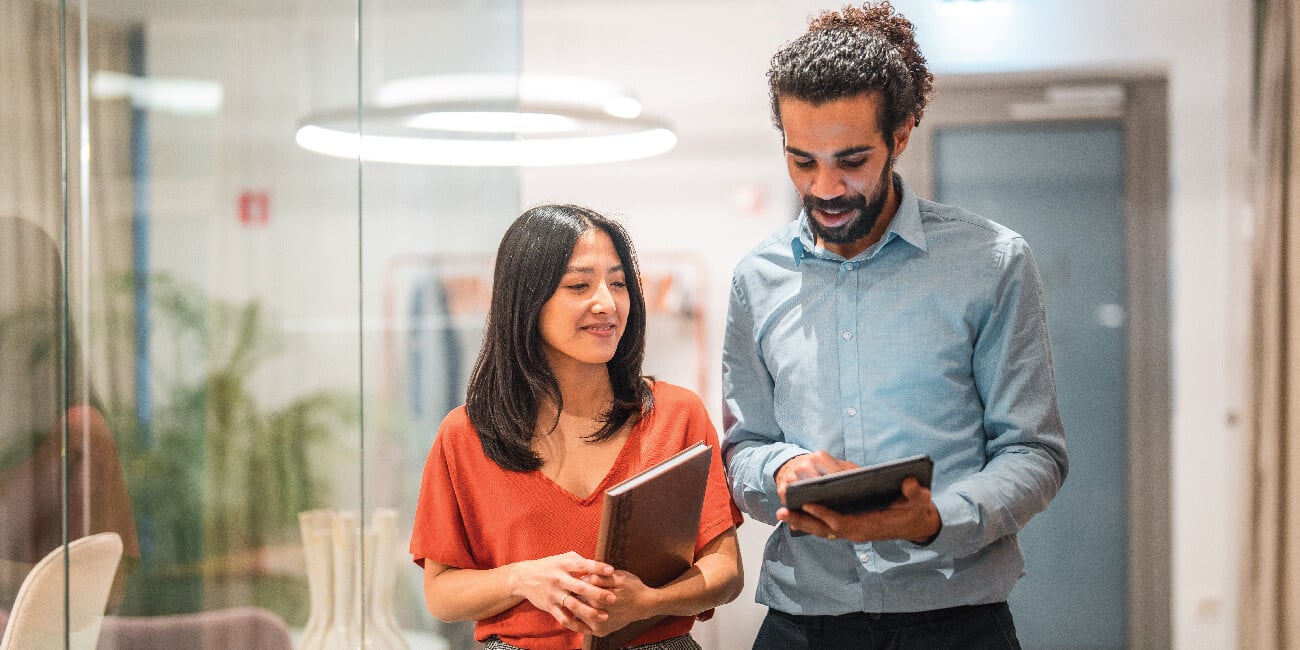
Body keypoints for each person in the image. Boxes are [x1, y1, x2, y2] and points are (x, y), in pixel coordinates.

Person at [720, 3, 1069, 648]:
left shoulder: (991, 262)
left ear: (901, 135)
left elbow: (1033, 453)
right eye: (802, 162)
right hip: (805, 622)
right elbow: (743, 449)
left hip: (956, 621)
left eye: (851, 160)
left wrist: (934, 518)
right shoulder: (756, 278)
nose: (825, 188)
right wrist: (781, 471)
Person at [410, 204, 744, 650]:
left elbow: (725, 573)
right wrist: (522, 578)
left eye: (619, 283)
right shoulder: (466, 434)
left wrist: (646, 602)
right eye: (579, 285)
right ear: (527, 300)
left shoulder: (676, 415)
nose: (606, 303)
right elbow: (441, 594)